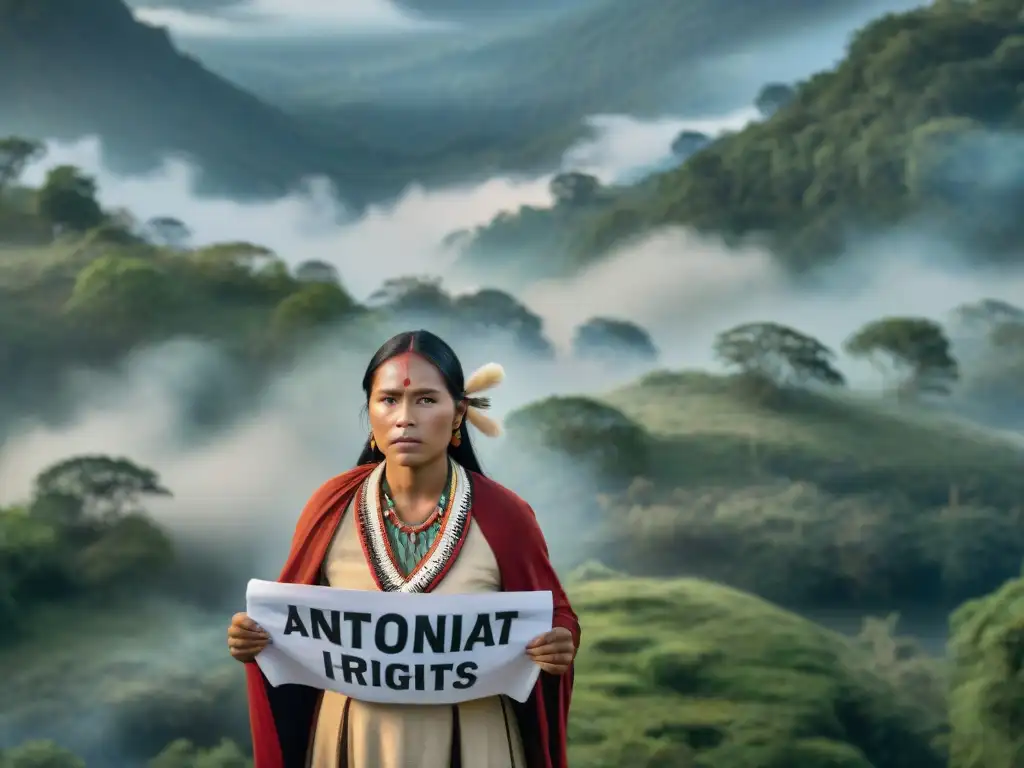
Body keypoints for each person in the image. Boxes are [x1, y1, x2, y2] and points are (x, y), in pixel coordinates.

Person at [227, 329, 580, 768]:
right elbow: (286, 618)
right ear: (370, 412)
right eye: (389, 399)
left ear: (458, 414)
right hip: (352, 739)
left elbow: (555, 613)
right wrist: (254, 639)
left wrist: (559, 642)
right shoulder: (331, 507)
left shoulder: (506, 515)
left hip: (475, 738)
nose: (405, 417)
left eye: (427, 400)